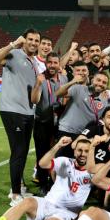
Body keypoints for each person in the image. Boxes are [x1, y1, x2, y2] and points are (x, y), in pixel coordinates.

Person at [0, 28, 41, 206]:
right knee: (18, 151)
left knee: (23, 151)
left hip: (28, 112)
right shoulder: (15, 54)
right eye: (30, 39)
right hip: (12, 111)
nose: (34, 43)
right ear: (24, 40)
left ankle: (18, 188)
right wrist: (12, 44)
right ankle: (15, 194)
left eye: (36, 40)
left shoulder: (34, 62)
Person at [30, 52, 67, 194]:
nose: (52, 65)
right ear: (46, 63)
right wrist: (38, 84)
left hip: (59, 122)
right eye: (50, 62)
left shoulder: (64, 78)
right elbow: (34, 100)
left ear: (59, 64)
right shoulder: (40, 78)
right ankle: (43, 184)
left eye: (55, 62)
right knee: (42, 153)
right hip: (43, 122)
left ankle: (55, 181)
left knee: (57, 153)